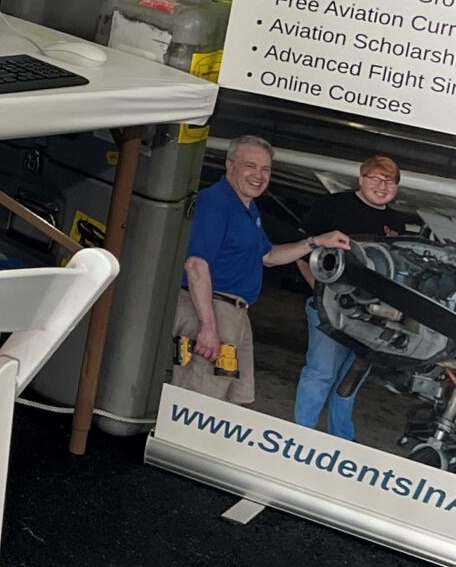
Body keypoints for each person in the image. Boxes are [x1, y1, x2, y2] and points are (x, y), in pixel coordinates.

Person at [172, 136, 347, 410]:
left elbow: (268, 257)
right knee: (200, 400)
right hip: (211, 309)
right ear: (230, 166)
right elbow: (196, 265)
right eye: (250, 166)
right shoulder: (216, 203)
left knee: (234, 400)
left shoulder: (248, 209)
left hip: (237, 314)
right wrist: (208, 327)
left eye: (265, 169)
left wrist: (315, 242)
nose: (259, 175)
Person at [290, 154, 429, 438]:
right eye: (376, 178)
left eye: (389, 181)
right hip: (330, 310)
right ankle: (301, 436)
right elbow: (302, 250)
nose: (382, 186)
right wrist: (318, 293)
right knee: (321, 373)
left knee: (349, 380)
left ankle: (342, 439)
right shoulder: (333, 205)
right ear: (361, 178)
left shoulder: (396, 224)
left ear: (397, 188)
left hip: (371, 318)